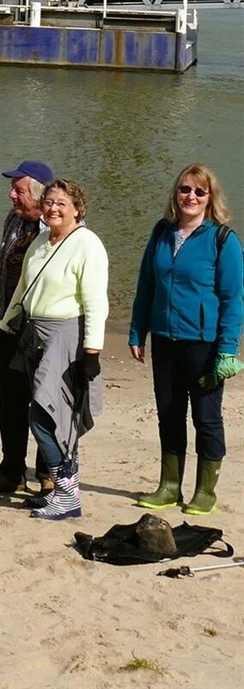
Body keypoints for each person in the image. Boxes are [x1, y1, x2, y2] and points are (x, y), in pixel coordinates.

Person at [129, 164, 243, 516]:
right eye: (184, 190)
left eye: (199, 192)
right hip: (165, 339)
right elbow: (146, 285)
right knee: (169, 413)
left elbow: (233, 299)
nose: (190, 197)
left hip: (204, 344)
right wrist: (137, 331)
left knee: (206, 417)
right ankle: (169, 486)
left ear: (210, 198)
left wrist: (227, 349)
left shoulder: (223, 239)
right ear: (175, 194)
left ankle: (205, 490)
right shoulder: (161, 232)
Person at [0, 179, 108, 521]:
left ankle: (65, 490)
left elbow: (96, 303)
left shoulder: (87, 244)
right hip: (35, 334)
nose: (53, 208)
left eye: (61, 202)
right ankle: (64, 493)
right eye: (48, 201)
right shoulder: (41, 241)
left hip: (66, 335)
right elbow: (23, 287)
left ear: (77, 208)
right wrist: (6, 323)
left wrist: (91, 352)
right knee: (58, 417)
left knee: (44, 415)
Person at [0, 159, 55, 496]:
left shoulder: (59, 227)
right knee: (10, 405)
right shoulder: (13, 221)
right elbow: (3, 278)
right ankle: (11, 471)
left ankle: (49, 473)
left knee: (47, 404)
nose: (11, 195)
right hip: (9, 329)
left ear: (38, 195)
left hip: (44, 333)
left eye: (18, 190)